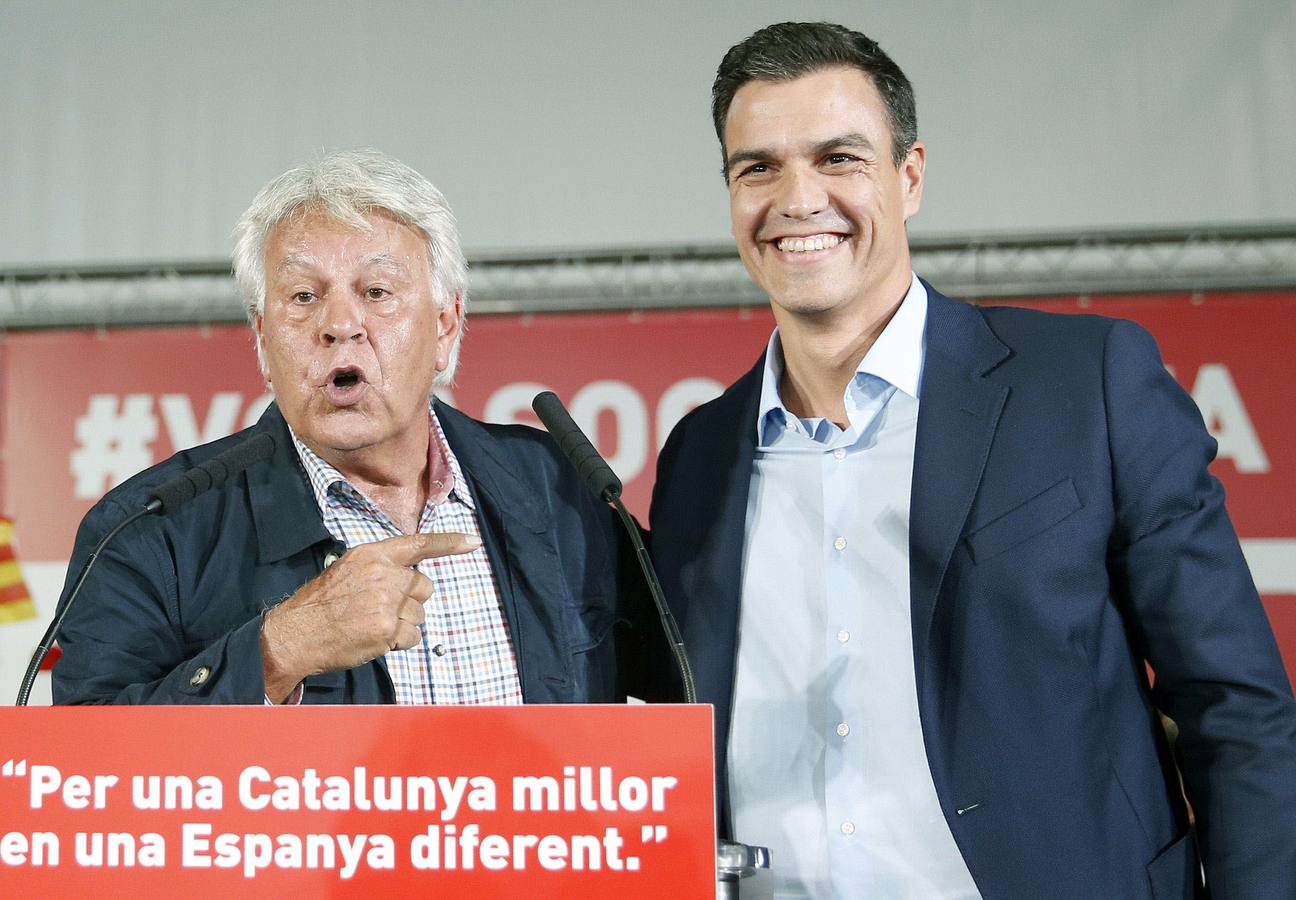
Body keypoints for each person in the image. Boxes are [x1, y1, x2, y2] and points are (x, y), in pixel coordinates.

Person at [648, 21, 1296, 899]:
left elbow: (1237, 709)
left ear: (909, 176)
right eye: (757, 168)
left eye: (839, 159)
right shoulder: (699, 454)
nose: (797, 199)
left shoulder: (1085, 384)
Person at [54, 149, 645, 707]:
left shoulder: (558, 489)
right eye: (303, 296)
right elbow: (84, 760)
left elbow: (688, 668)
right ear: (262, 338)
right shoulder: (149, 529)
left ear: (445, 326)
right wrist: (276, 652)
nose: (339, 324)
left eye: (377, 291)